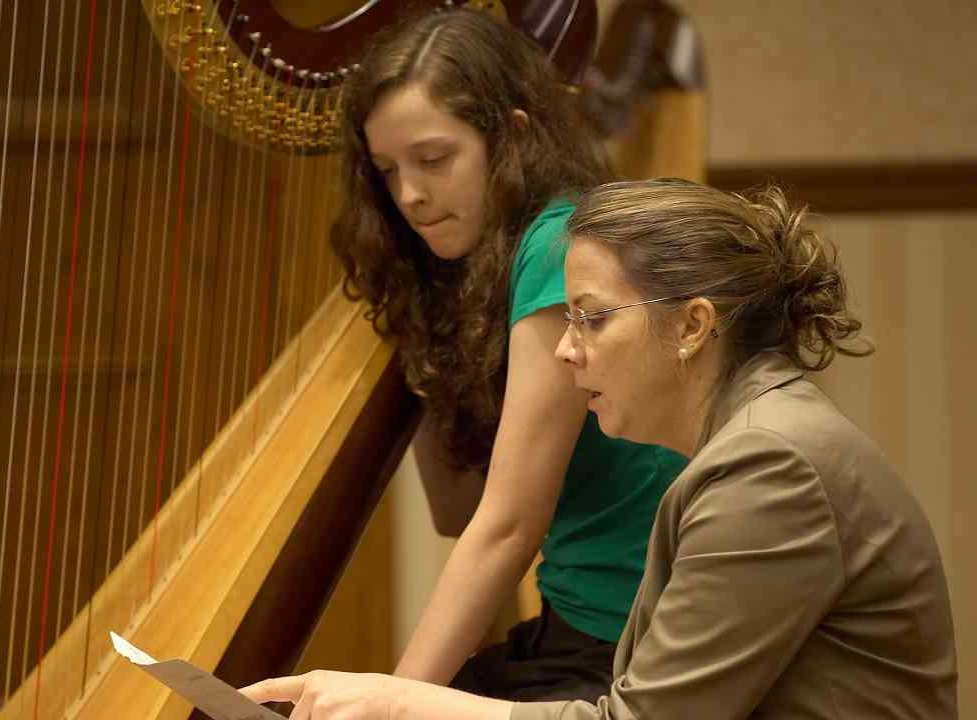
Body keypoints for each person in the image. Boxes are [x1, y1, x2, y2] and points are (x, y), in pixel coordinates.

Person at [241, 180, 958, 719]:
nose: (564, 350)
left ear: (692, 325)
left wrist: (399, 701)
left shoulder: (769, 467)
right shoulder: (753, 440)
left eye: (591, 319)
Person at [322, 6, 687, 702]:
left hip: (633, 643)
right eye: (387, 170)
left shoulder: (560, 246)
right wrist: (419, 313)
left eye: (434, 160)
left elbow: (509, 526)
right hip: (574, 625)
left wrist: (392, 701)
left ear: (511, 138)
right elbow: (457, 510)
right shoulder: (479, 268)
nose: (409, 195)